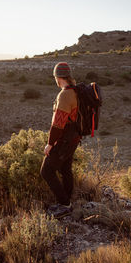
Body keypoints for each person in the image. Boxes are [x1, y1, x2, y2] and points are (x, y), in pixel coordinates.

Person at [40, 62, 81, 218]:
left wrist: (50, 144)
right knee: (65, 170)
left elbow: (58, 125)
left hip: (64, 140)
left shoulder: (64, 95)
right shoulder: (76, 91)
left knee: (46, 171)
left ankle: (65, 205)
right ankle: (67, 201)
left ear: (58, 77)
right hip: (74, 138)